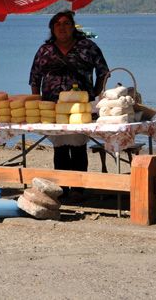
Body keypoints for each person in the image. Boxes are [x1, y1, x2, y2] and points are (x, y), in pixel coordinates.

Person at [29, 10, 110, 197]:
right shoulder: (45, 50)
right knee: (60, 147)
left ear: (73, 26)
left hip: (81, 108)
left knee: (78, 146)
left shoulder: (88, 47)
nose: (62, 27)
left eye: (66, 23)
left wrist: (94, 95)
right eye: (58, 24)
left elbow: (103, 72)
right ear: (52, 29)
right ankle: (62, 188)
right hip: (53, 107)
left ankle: (79, 189)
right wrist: (38, 102)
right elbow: (34, 78)